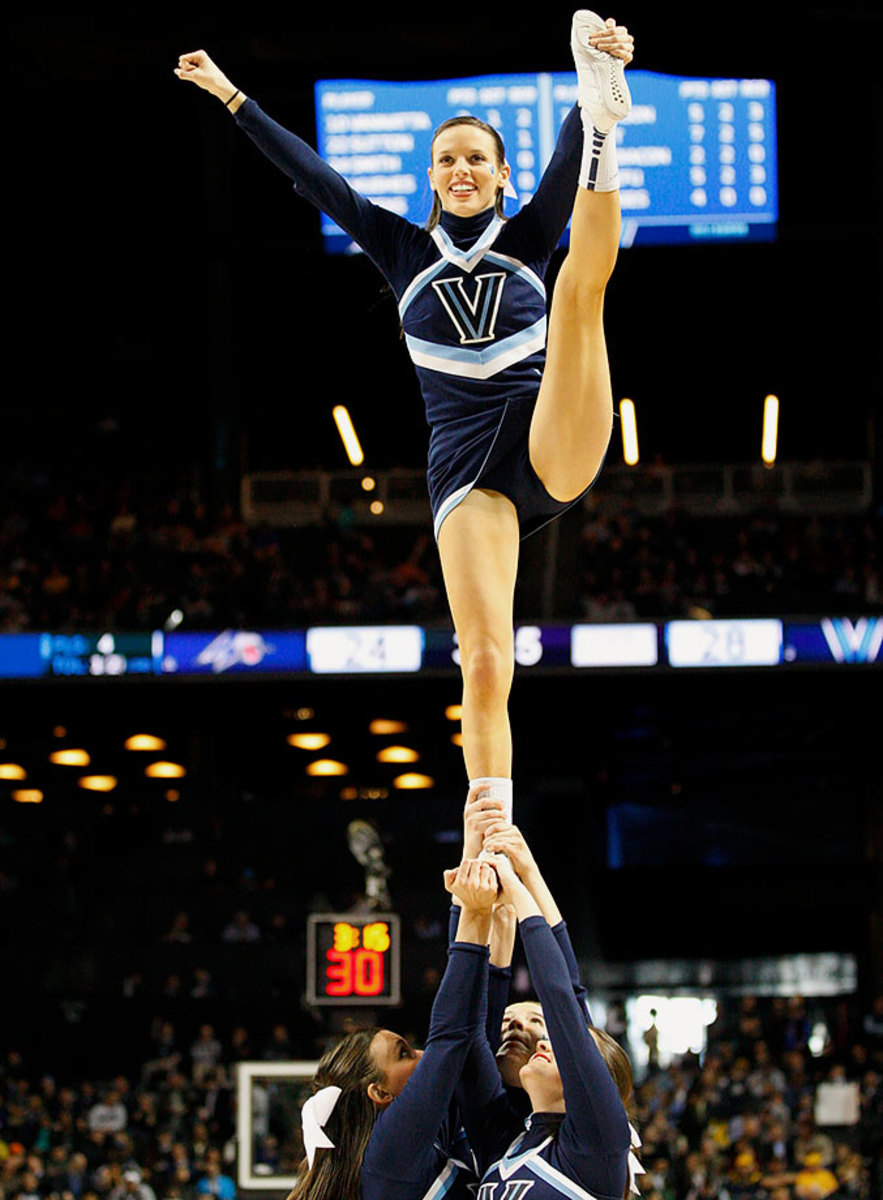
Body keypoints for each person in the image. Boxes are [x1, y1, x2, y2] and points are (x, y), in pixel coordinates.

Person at [175, 11, 635, 817]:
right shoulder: (401, 251)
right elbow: (318, 179)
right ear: (432, 177)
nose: (461, 170)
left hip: (547, 429)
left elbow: (556, 165)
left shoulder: (526, 234)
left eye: (476, 160)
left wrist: (593, 75)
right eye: (447, 160)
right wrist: (233, 97)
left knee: (577, 294)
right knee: (485, 660)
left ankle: (607, 128)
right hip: (466, 477)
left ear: (500, 176)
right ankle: (490, 819)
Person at [286, 858, 498, 1200]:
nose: (422, 1055)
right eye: (404, 1053)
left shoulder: (419, 1144)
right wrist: (474, 911)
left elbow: (471, 1034)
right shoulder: (389, 1155)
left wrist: (472, 869)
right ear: (380, 1093)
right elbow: (450, 1037)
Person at [455, 828, 640, 1200]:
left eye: (545, 1028)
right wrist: (493, 863)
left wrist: (518, 886)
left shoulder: (599, 1143)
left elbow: (564, 1001)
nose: (544, 1039)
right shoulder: (509, 1141)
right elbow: (472, 1032)